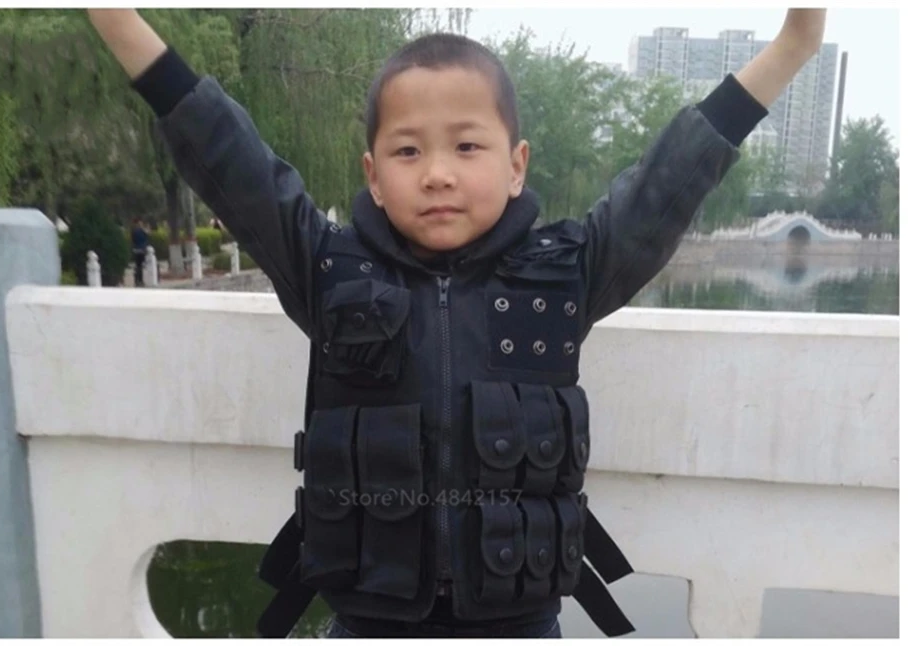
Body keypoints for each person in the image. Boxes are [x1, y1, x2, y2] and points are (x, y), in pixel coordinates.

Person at [87, 8, 826, 638]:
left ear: (516, 165)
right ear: (374, 175)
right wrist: (114, 17)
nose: (437, 172)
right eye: (407, 150)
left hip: (519, 623)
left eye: (467, 146)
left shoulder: (567, 273)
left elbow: (670, 181)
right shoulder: (325, 268)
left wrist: (792, 45)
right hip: (368, 621)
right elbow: (227, 156)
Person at [130, 217, 149, 287]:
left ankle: (137, 280)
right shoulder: (141, 230)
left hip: (136, 249)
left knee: (138, 265)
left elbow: (133, 240)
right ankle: (140, 280)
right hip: (141, 249)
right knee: (140, 266)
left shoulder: (133, 231)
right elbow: (148, 234)